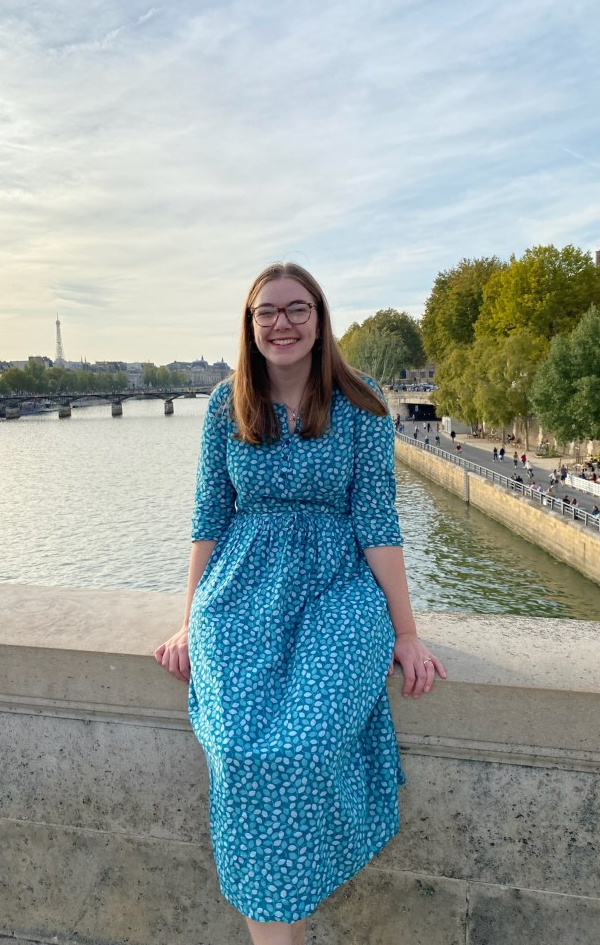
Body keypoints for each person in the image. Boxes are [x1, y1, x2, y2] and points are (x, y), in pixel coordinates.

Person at [154, 262, 447, 944]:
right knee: (240, 751)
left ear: (319, 320)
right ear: (250, 326)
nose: (281, 323)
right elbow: (209, 515)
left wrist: (406, 632)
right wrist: (189, 618)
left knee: (303, 745)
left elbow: (377, 521)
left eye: (296, 309)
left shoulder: (362, 402)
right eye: (267, 312)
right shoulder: (226, 405)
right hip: (241, 594)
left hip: (336, 591)